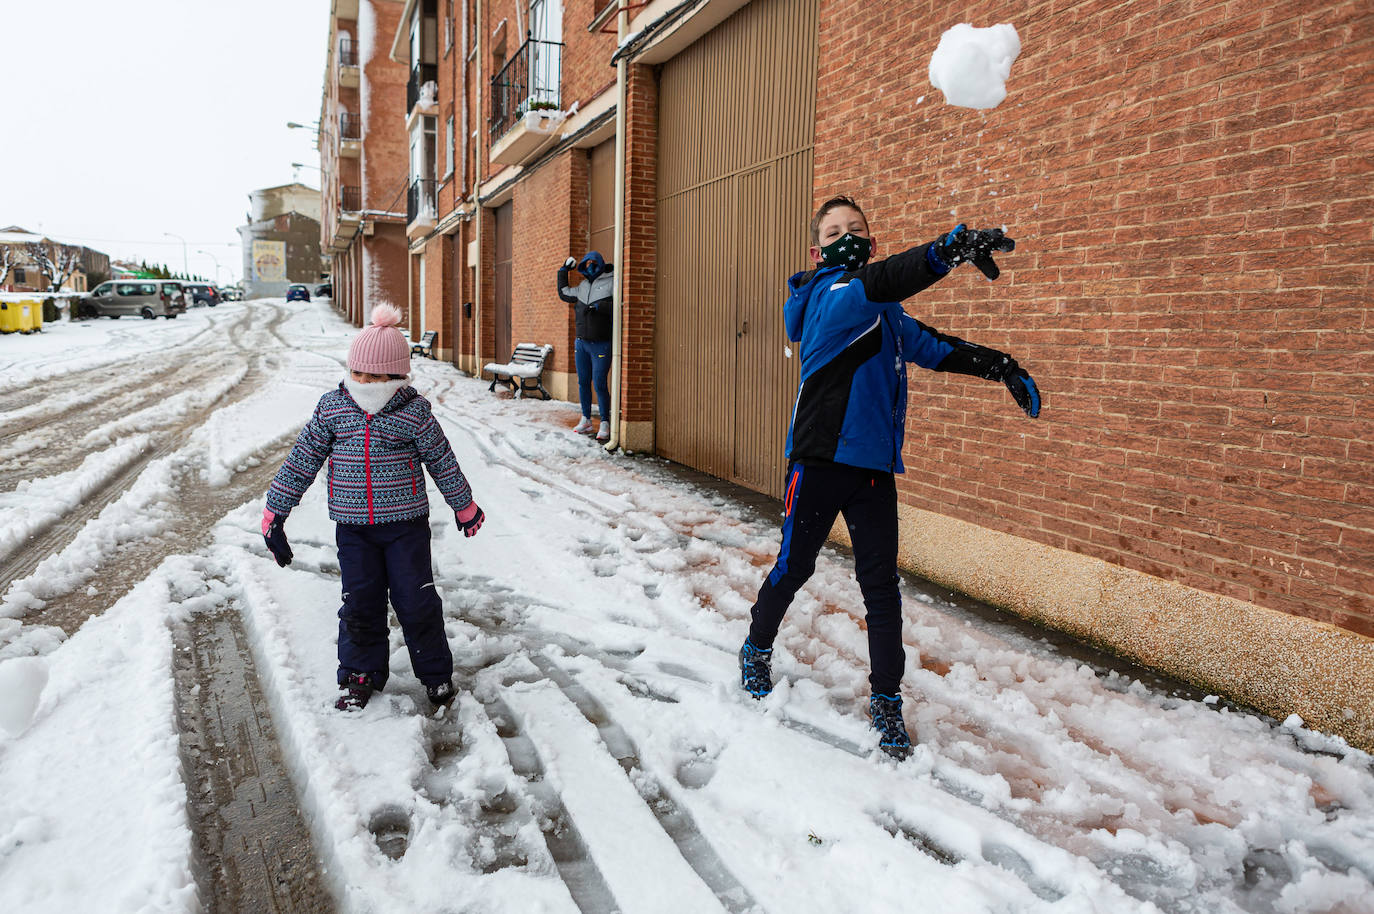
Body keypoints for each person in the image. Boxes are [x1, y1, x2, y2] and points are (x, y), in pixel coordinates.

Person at [738, 196, 1039, 760]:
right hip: (821, 462)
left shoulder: (887, 311)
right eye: (834, 232)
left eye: (856, 229)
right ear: (818, 249)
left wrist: (1002, 366)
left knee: (881, 590)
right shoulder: (832, 296)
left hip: (874, 469)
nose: (846, 236)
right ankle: (756, 648)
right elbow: (885, 280)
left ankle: (886, 701)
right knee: (794, 565)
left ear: (871, 242)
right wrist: (946, 251)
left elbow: (937, 348)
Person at [261, 304, 486, 712]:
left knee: (416, 601)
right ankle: (360, 674)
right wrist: (276, 512)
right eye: (358, 373)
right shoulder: (333, 409)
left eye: (376, 376)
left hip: (406, 528)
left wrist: (464, 505)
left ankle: (435, 675)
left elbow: (442, 460)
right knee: (360, 601)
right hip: (354, 530)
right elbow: (303, 458)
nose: (365, 382)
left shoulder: (413, 414)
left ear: (398, 377)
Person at [557, 251, 614, 441]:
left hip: (601, 343)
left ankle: (605, 422)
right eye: (587, 263)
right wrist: (563, 270)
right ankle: (586, 419)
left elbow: (621, 305)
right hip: (581, 343)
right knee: (583, 382)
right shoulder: (582, 286)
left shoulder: (612, 281)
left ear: (599, 263)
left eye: (593, 262)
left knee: (599, 383)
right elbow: (564, 293)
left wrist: (602, 307)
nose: (590, 266)